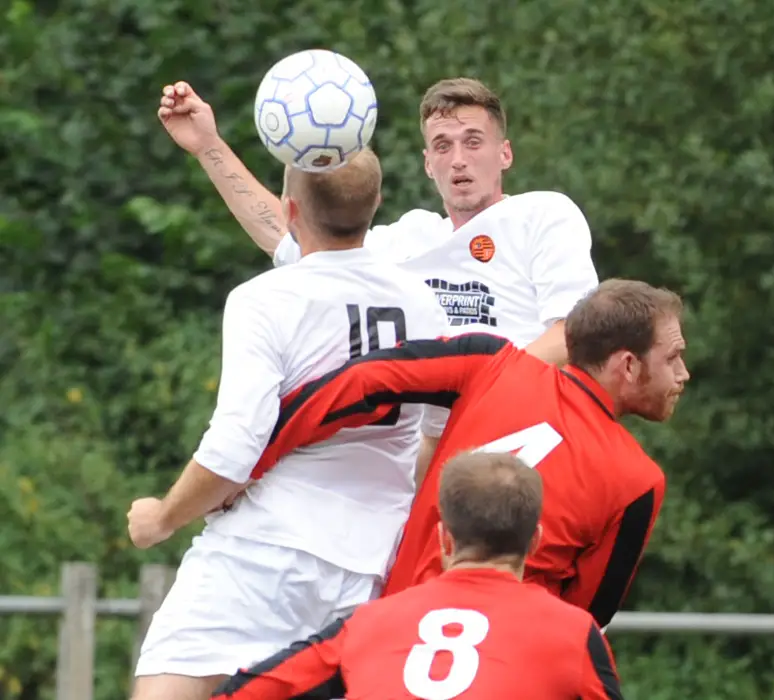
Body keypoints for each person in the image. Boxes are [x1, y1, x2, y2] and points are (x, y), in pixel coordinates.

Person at [156, 75, 600, 477]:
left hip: (526, 448)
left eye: (474, 141)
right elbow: (290, 237)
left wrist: (476, 389)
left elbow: (573, 333)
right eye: (444, 146)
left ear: (505, 154)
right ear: (428, 164)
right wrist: (208, 146)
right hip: (436, 466)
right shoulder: (409, 239)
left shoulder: (543, 214)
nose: (459, 159)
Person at [125, 150, 448, 700]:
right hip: (371, 568)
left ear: (290, 210)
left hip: (265, 553)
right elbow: (440, 436)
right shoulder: (423, 304)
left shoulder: (265, 299)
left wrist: (163, 517)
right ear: (376, 205)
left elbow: (235, 446)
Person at [249, 278, 686, 629]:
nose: (683, 374)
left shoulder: (490, 362)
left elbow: (364, 380)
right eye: (673, 358)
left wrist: (252, 460)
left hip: (388, 652)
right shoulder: (638, 482)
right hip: (504, 674)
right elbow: (584, 619)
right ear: (627, 365)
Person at [211, 451, 626, 700]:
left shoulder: (367, 624)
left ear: (443, 540)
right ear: (535, 542)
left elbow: (244, 693)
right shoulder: (574, 633)